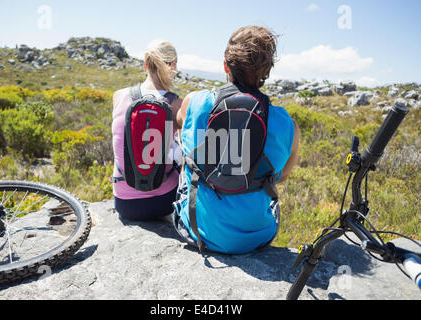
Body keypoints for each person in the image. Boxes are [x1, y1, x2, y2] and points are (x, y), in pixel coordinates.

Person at [173, 26, 299, 254]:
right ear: (267, 72)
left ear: (225, 66)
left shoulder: (196, 101)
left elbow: (180, 123)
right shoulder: (286, 123)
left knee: (187, 160)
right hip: (258, 236)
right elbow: (282, 176)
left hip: (200, 231)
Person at [112, 39, 182, 221]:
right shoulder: (176, 104)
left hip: (124, 202)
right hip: (164, 202)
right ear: (172, 65)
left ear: (145, 65)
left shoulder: (118, 96)